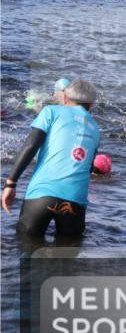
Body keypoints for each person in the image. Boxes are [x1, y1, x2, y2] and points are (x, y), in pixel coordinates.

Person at [2, 79, 101, 237]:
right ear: (91, 106)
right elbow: (88, 168)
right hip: (75, 202)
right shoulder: (96, 129)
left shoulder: (51, 111)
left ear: (66, 98)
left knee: (26, 251)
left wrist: (11, 183)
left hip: (41, 195)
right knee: (66, 257)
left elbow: (31, 146)